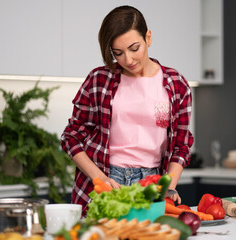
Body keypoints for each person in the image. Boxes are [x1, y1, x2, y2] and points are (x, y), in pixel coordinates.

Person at [61, 5, 193, 215]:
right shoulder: (99, 80)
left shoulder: (176, 84)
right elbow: (71, 138)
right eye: (118, 53)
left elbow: (181, 145)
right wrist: (100, 178)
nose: (128, 60)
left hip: (152, 183)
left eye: (134, 48)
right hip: (105, 179)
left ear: (148, 38)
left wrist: (169, 185)